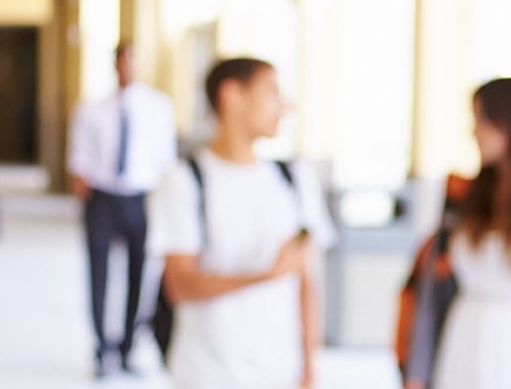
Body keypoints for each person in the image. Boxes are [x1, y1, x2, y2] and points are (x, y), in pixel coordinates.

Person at [148, 58, 334, 389]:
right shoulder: (184, 181)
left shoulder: (294, 180)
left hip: (280, 372)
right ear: (231, 95)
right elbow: (181, 285)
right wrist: (266, 275)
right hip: (206, 373)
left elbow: (307, 284)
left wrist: (309, 367)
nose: (284, 106)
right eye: (271, 92)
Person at [67, 41, 177, 375]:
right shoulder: (92, 109)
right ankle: (102, 348)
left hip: (140, 197)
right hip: (102, 196)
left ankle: (128, 346)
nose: (128, 66)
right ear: (114, 65)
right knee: (99, 272)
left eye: (134, 60)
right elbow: (79, 158)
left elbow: (166, 159)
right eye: (123, 60)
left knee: (138, 274)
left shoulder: (159, 107)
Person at [421, 78, 511, 389]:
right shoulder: (466, 197)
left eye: (481, 120)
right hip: (464, 336)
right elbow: (434, 285)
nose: (474, 132)